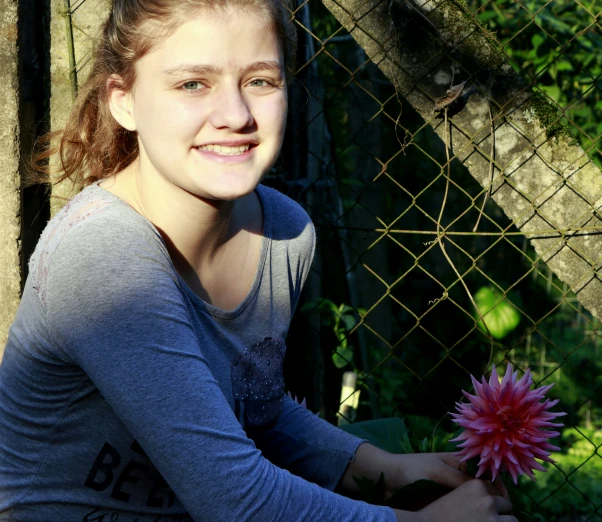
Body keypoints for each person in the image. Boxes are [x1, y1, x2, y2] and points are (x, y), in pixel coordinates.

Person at [0, 1, 519, 520]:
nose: (235, 116)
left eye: (261, 81)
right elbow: (236, 500)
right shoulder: (103, 256)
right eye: (192, 84)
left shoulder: (284, 233)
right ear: (124, 101)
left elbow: (254, 406)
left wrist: (385, 468)